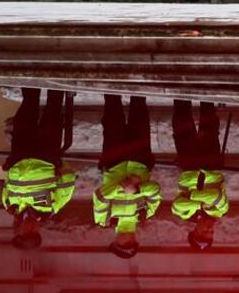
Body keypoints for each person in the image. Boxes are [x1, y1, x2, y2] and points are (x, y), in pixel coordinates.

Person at [0, 88, 75, 250]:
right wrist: (60, 165)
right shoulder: (51, 207)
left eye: (23, 233)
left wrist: (10, 167)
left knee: (27, 108)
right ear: (37, 231)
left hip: (20, 154)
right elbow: (68, 182)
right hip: (46, 156)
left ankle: (31, 77)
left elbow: (7, 183)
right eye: (32, 233)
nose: (28, 229)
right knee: (53, 110)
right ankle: (57, 73)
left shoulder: (10, 206)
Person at [93, 95, 161, 259]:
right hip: (140, 160)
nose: (127, 240)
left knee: (112, 113)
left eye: (122, 244)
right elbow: (155, 190)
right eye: (129, 243)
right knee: (139, 111)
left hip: (113, 160)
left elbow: (100, 195)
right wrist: (137, 188)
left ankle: (110, 77)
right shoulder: (146, 214)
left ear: (116, 241)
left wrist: (123, 188)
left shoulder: (105, 220)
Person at [170, 99, 228, 251]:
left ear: (195, 230)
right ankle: (206, 88)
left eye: (205, 232)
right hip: (211, 162)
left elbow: (176, 205)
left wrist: (199, 203)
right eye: (211, 232)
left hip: (188, 164)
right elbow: (216, 196)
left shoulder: (184, 214)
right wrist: (191, 197)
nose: (210, 229)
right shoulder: (221, 211)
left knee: (181, 120)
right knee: (208, 117)